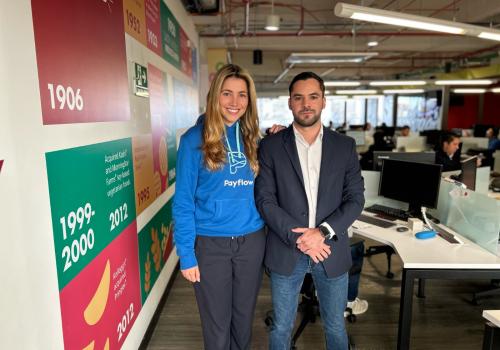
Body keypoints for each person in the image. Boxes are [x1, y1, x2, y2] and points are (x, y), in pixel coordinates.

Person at [255, 71, 365, 350]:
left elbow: (355, 199)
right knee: (281, 326)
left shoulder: (345, 146)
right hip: (286, 248)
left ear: (324, 101)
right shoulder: (270, 147)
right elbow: (265, 200)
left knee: (336, 326)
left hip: (330, 248)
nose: (306, 104)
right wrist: (301, 238)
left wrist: (322, 233)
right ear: (290, 103)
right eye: (299, 98)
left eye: (313, 97)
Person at [173, 64, 266, 350]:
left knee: (242, 320)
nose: (234, 103)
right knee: (216, 325)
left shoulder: (254, 140)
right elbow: (183, 202)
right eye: (227, 94)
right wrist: (186, 254)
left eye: (242, 95)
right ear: (214, 96)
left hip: (251, 242)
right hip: (210, 245)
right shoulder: (193, 141)